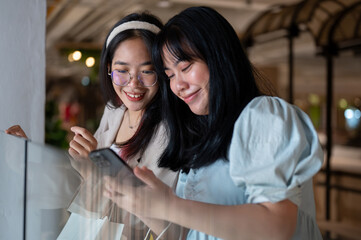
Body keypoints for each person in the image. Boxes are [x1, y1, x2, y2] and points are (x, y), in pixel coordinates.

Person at [103, 6, 324, 240]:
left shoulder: (263, 116)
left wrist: (169, 205)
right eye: (170, 75)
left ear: (218, 57)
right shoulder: (203, 137)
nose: (178, 86)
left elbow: (277, 227)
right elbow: (193, 234)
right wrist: (147, 206)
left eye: (185, 67)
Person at [7, 12, 178, 240]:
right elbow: (77, 186)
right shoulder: (114, 113)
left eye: (147, 71)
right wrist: (26, 159)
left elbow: (154, 220)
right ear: (108, 68)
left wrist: (94, 172)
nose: (133, 84)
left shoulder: (171, 133)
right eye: (122, 71)